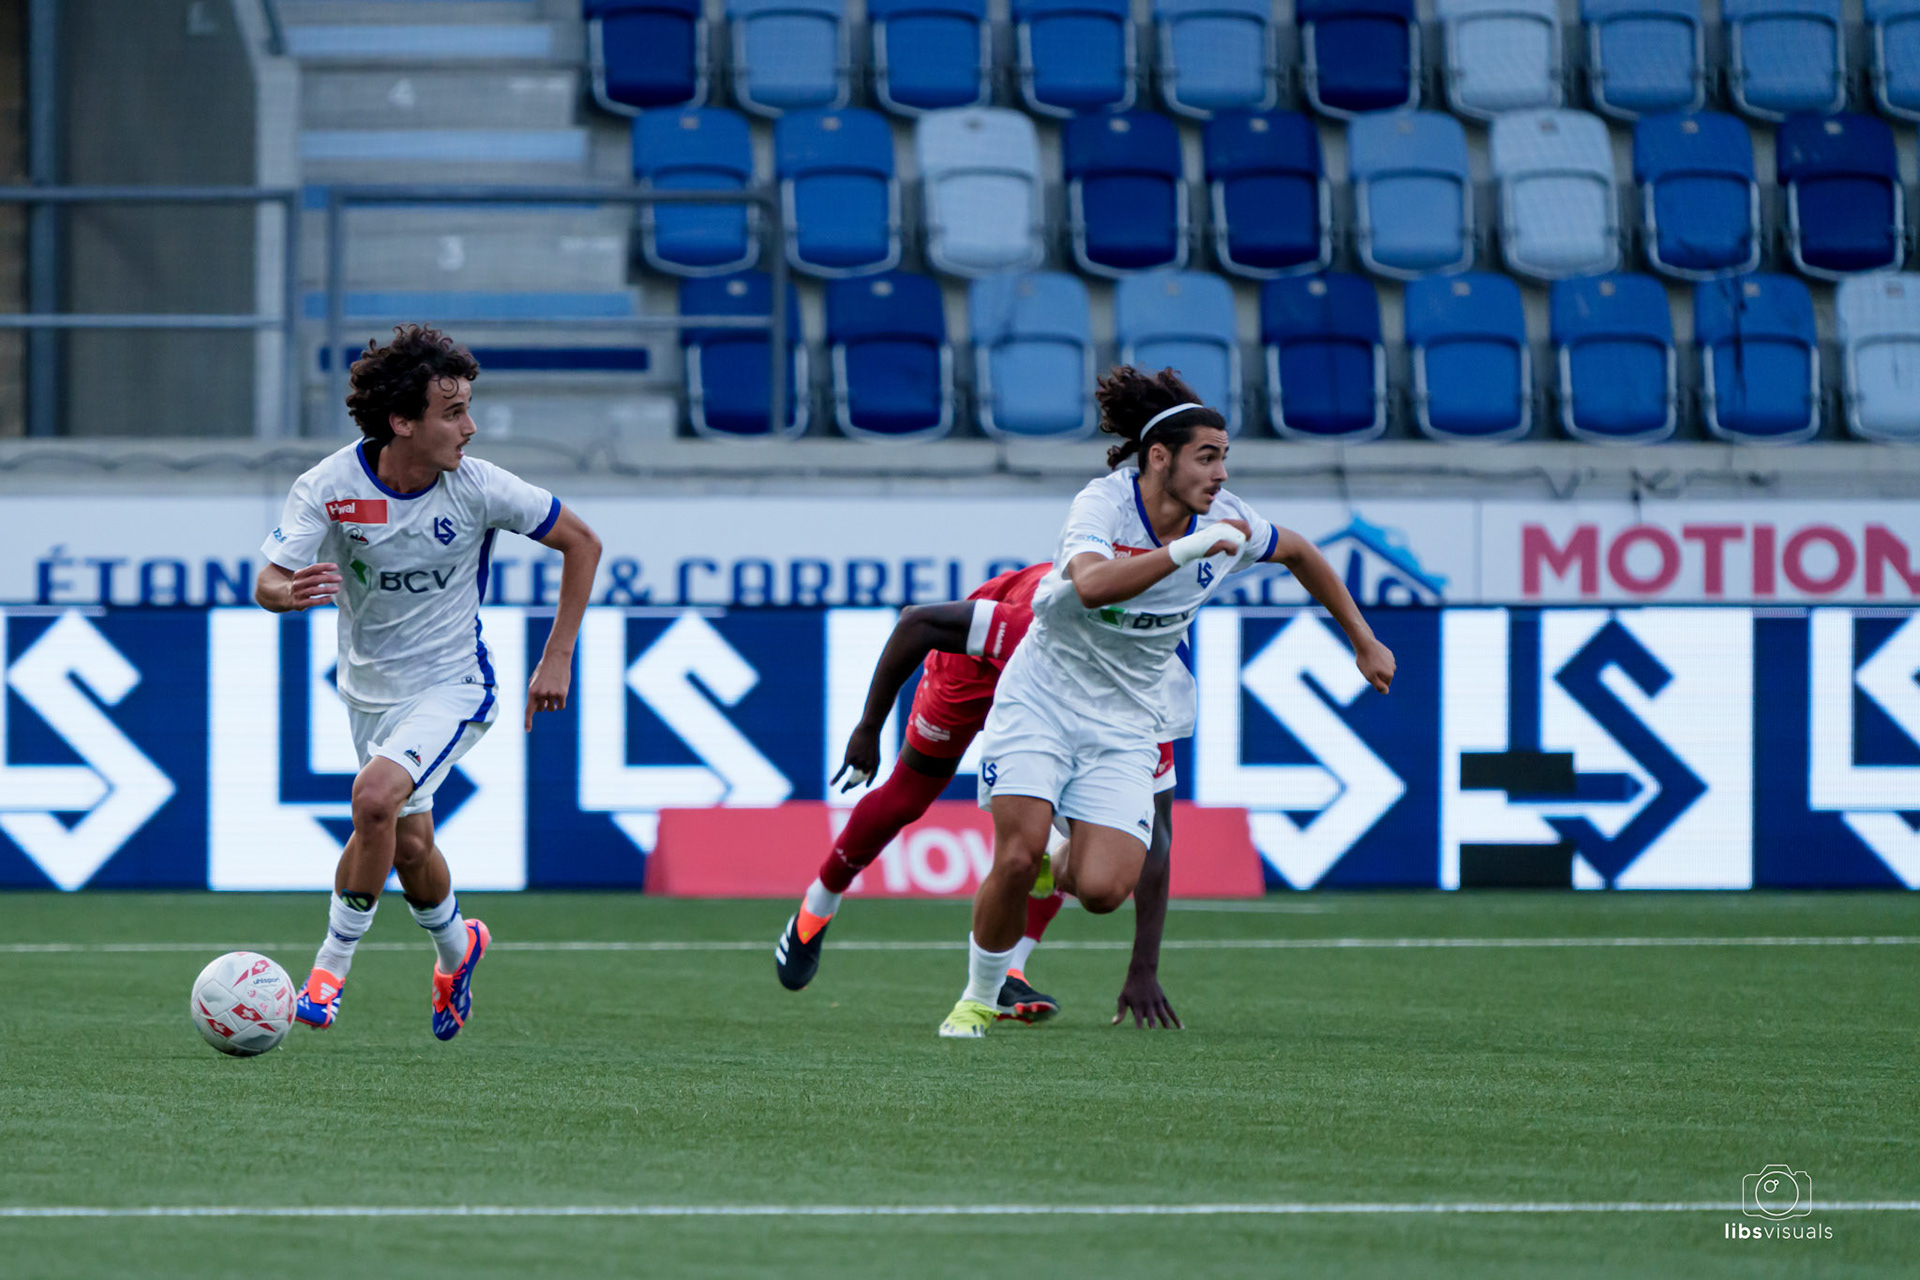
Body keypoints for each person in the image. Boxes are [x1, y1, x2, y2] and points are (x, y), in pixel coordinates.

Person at [938, 367, 1396, 1038]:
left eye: (1225, 458)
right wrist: (1186, 551)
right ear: (1159, 457)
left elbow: (1299, 551)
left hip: (1127, 719)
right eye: (1207, 458)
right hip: (1042, 699)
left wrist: (1363, 639)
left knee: (1102, 892)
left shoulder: (1228, 519)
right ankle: (976, 1000)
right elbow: (1091, 586)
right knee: (1013, 853)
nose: (1221, 474)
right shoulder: (1103, 504)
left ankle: (1050, 867)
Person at [255, 325, 602, 1040]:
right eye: (453, 413)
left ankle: (327, 971)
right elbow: (268, 578)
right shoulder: (329, 489)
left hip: (454, 684)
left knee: (372, 798)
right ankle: (457, 949)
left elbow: (582, 542)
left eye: (467, 409)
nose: (470, 428)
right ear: (402, 421)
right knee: (409, 847)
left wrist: (558, 655)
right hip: (367, 693)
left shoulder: (479, 487)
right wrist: (283, 595)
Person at [774, 564, 1185, 1029]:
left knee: (1079, 846)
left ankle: (1010, 969)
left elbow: (1157, 832)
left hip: (1067, 713)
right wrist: (868, 728)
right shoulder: (1036, 627)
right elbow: (916, 622)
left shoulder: (1145, 688)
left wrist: (1144, 967)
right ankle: (819, 904)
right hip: (979, 668)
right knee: (909, 797)